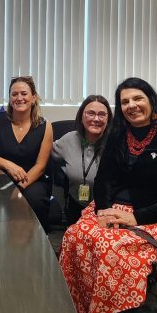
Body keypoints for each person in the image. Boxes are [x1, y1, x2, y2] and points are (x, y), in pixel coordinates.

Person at [59, 77, 157, 313]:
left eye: (137, 98)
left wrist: (136, 217)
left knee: (110, 248)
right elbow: (103, 180)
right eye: (124, 102)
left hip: (154, 215)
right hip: (112, 209)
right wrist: (103, 210)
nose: (131, 105)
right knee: (75, 236)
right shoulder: (117, 137)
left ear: (151, 101)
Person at [0, 75, 53, 230]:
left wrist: (20, 187)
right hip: (0, 177)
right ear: (10, 99)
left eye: (24, 93)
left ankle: (38, 239)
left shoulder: (45, 126)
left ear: (33, 98)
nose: (19, 98)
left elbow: (40, 166)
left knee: (34, 200)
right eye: (14, 94)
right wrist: (9, 165)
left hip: (31, 179)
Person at [51, 94, 112, 225]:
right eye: (91, 113)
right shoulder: (69, 140)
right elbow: (45, 152)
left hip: (107, 208)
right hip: (76, 204)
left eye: (102, 114)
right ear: (81, 116)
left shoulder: (115, 143)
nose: (96, 119)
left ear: (108, 119)